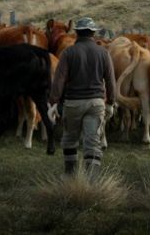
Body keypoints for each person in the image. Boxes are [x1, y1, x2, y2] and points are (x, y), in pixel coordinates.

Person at [50, 16, 116, 178]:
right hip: (96, 103)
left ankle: (70, 177)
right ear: (93, 33)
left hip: (73, 103)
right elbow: (110, 81)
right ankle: (91, 181)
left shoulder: (68, 52)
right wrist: (111, 102)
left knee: (70, 140)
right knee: (93, 143)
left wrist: (53, 102)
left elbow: (59, 80)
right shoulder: (103, 53)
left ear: (77, 33)